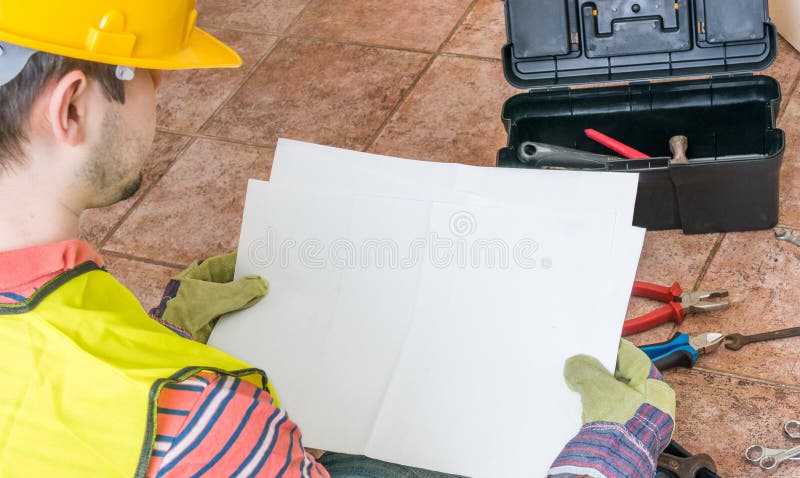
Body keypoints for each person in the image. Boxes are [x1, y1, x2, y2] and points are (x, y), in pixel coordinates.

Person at [0, 1, 675, 476]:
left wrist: (161, 334)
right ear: (72, 108)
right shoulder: (215, 422)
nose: (159, 97)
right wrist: (607, 457)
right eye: (149, 73)